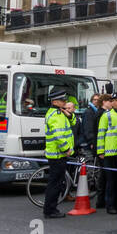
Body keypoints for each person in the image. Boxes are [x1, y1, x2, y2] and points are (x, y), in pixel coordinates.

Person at [42, 87, 75, 219]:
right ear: (55, 101)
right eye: (62, 100)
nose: (64, 102)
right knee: (55, 184)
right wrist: (66, 149)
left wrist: (69, 115)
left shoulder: (59, 113)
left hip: (58, 154)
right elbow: (58, 136)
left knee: (56, 183)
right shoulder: (54, 115)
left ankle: (50, 208)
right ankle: (50, 210)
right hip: (57, 154)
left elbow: (72, 123)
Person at [98, 91, 117, 214]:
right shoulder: (106, 115)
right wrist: (100, 151)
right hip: (109, 152)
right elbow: (101, 134)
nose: (114, 102)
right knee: (110, 180)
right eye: (112, 100)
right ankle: (110, 205)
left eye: (116, 100)